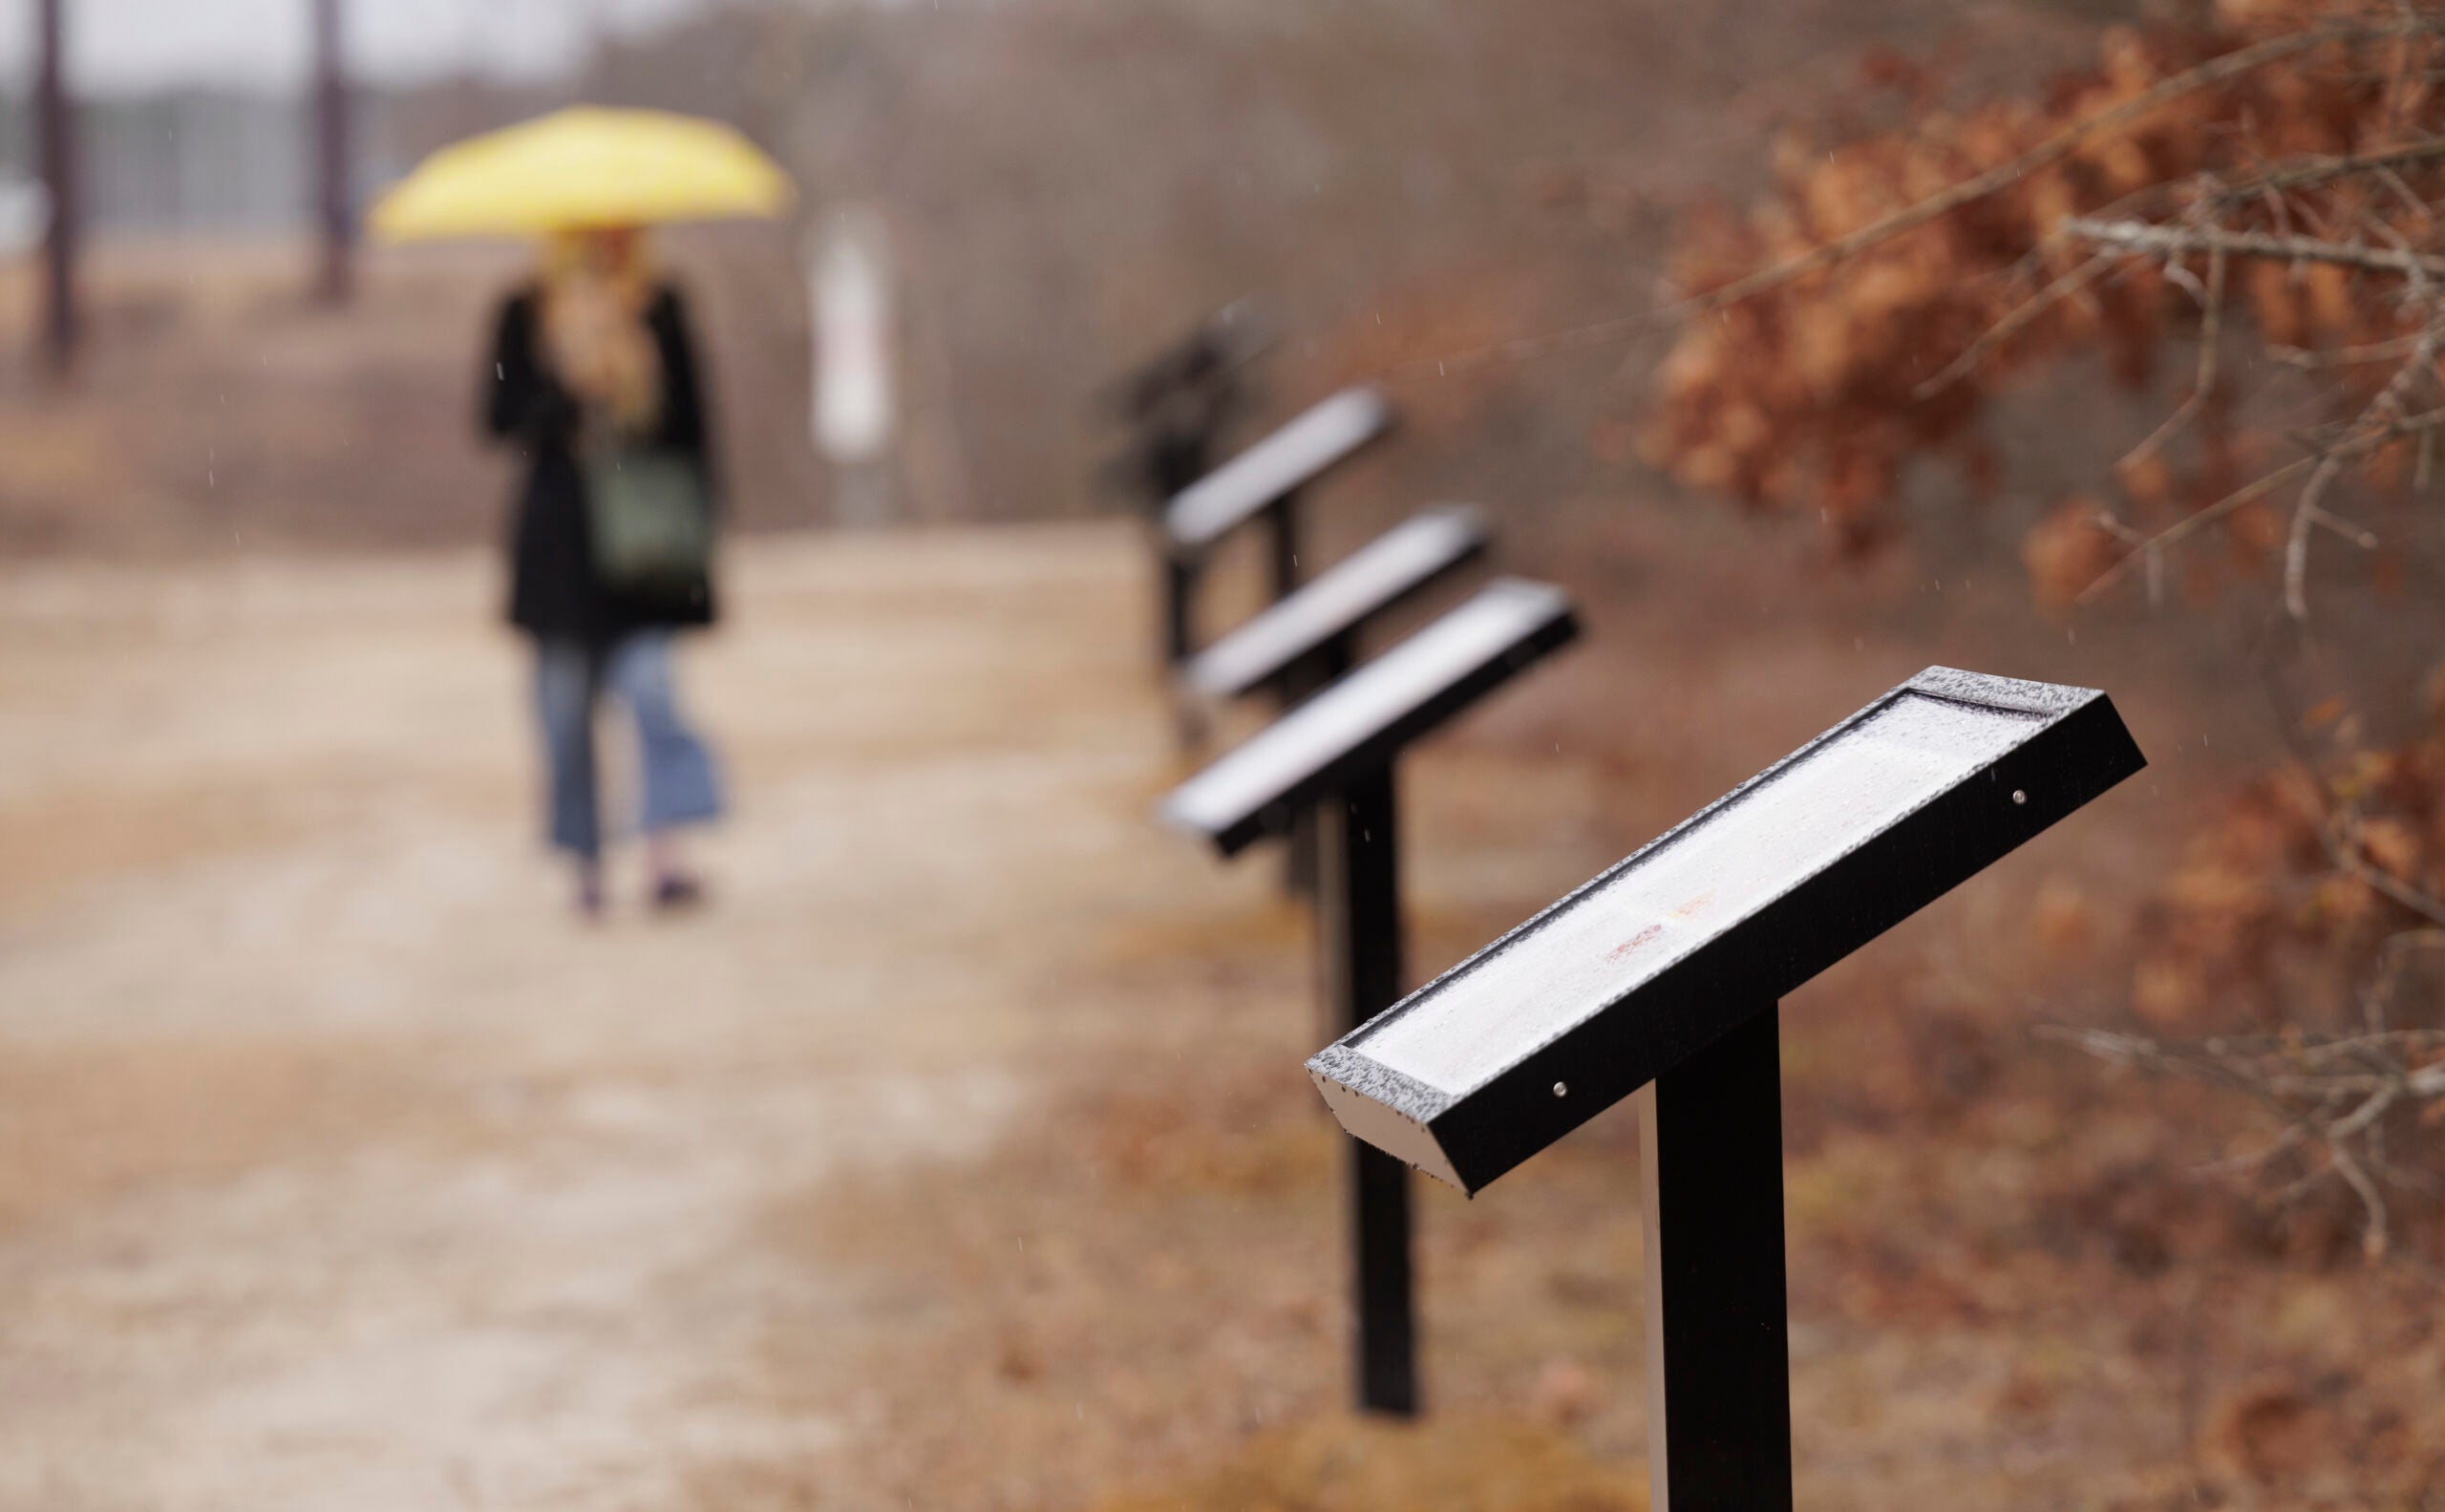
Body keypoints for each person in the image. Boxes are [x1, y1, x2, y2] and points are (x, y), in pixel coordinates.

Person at [481, 225, 723, 917]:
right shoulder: (524, 311)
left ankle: (666, 854)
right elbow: (498, 417)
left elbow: (695, 426)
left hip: (643, 545)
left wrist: (632, 389)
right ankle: (587, 865)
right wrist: (568, 393)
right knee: (564, 716)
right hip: (559, 551)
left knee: (653, 697)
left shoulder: (660, 305)